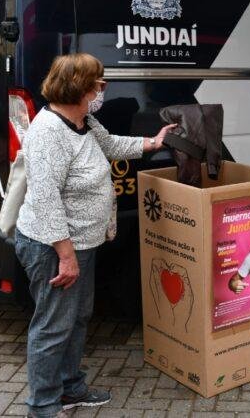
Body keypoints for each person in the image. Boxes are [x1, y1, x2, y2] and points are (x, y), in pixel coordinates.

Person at [15, 53, 176, 418]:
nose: (103, 90)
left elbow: (112, 145)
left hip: (82, 244)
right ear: (79, 87)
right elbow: (45, 200)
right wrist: (66, 256)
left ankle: (71, 388)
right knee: (52, 327)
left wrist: (153, 142)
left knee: (77, 318)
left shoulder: (83, 121)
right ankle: (42, 407)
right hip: (53, 247)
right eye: (99, 85)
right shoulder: (49, 132)